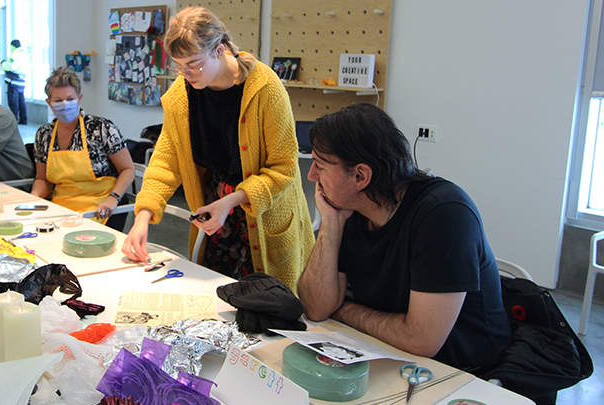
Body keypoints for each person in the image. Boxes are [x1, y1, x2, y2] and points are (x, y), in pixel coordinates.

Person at [297, 103, 511, 375]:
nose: (311, 175)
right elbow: (316, 307)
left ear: (361, 176)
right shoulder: (351, 211)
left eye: (320, 165)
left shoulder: (444, 214)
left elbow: (421, 340)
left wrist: (341, 310)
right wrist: (330, 223)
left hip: (465, 374)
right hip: (389, 356)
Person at [121, 7, 314, 291]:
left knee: (266, 306)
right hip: (215, 215)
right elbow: (165, 160)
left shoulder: (265, 88)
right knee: (216, 301)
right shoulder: (180, 96)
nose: (186, 74)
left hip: (262, 216)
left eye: (194, 64)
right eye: (178, 66)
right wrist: (143, 217)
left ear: (220, 49)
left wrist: (232, 200)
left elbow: (284, 168)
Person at [30, 67, 135, 229]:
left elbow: (128, 170)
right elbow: (42, 179)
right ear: (49, 104)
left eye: (70, 98)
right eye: (58, 101)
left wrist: (113, 198)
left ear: (79, 99)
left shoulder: (101, 128)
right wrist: (34, 197)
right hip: (62, 210)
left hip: (102, 208)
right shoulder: (44, 135)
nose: (64, 105)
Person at [1, 39, 27, 125]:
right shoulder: (24, 54)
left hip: (14, 82)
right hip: (21, 82)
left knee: (13, 102)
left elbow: (11, 67)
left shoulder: (15, 55)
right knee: (21, 101)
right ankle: (23, 119)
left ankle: (13, 120)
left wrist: (3, 63)